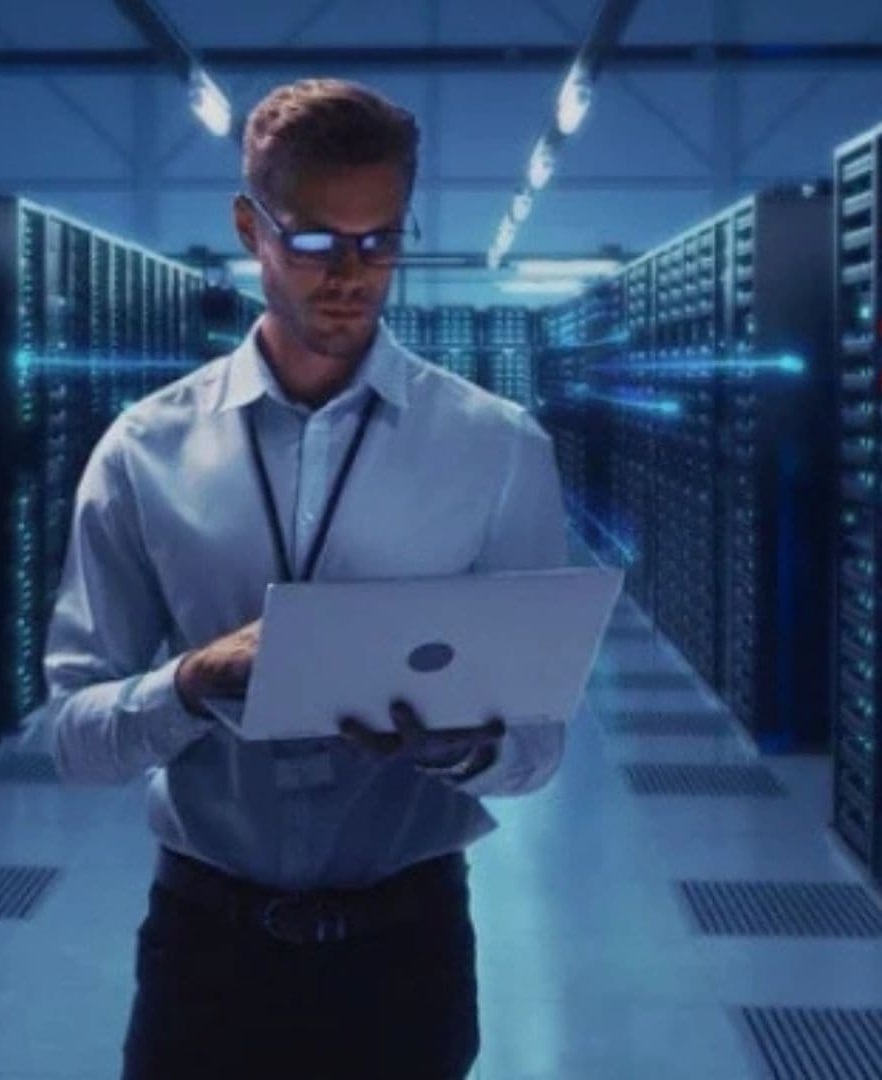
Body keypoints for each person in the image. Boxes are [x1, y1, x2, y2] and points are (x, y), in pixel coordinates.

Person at [38, 79, 570, 1080]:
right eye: (317, 242)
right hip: (207, 953)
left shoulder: (497, 450)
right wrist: (190, 681)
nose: (353, 276)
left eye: (382, 242)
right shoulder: (143, 451)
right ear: (252, 226)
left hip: (406, 957)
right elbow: (72, 737)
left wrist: (464, 747)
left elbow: (541, 749)